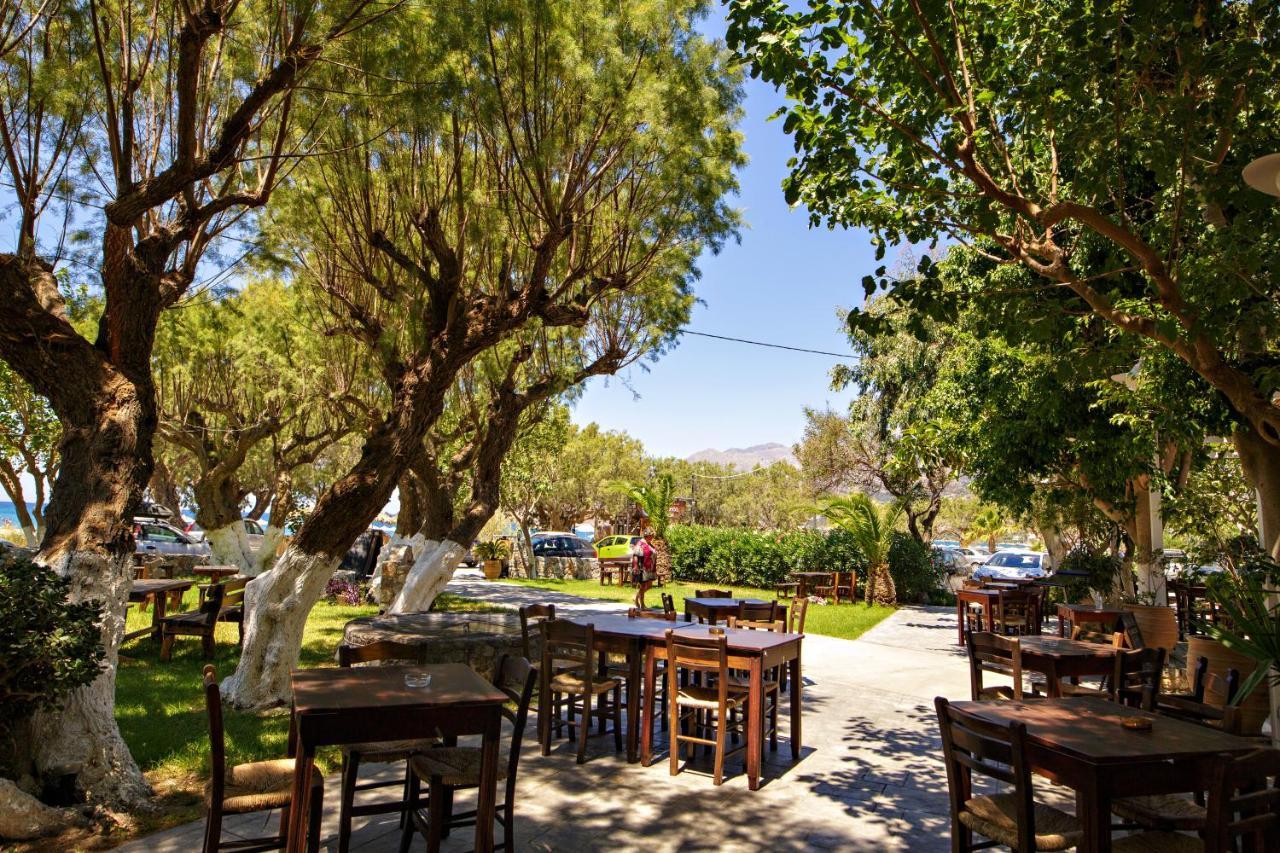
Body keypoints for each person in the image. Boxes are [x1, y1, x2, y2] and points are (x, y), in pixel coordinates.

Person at [631, 531, 657, 610]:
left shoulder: (649, 543)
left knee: (649, 585)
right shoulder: (641, 543)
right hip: (643, 567)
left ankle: (636, 596)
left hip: (650, 567)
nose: (652, 537)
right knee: (643, 586)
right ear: (647, 535)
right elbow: (635, 555)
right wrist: (635, 566)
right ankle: (642, 605)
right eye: (651, 535)